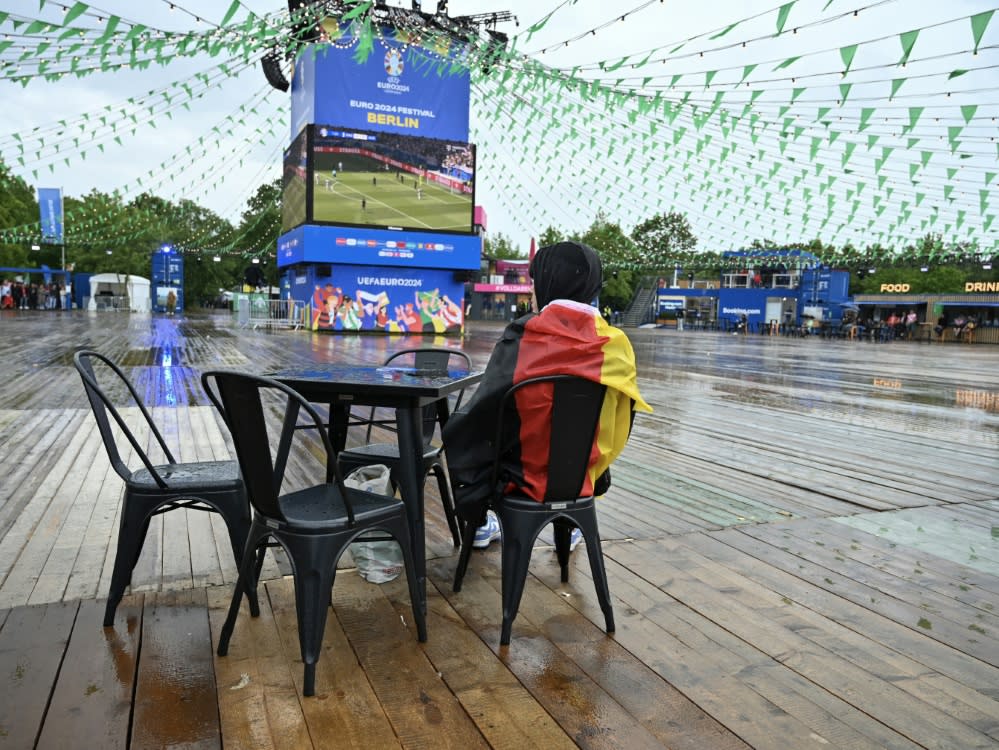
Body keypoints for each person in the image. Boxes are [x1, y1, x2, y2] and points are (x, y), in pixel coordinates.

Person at [443, 241, 651, 552]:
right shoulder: (616, 344)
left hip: (520, 478)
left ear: (549, 283)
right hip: (582, 476)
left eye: (534, 283)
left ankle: (480, 521)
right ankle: (569, 522)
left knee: (468, 427)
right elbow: (622, 420)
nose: (531, 292)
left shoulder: (522, 336)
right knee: (577, 431)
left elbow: (484, 414)